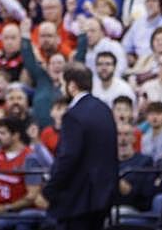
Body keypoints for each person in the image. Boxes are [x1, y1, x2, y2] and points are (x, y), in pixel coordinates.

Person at [42, 62, 118, 230]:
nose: (61, 89)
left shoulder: (73, 115)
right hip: (103, 196)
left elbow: (68, 157)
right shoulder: (104, 109)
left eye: (63, 84)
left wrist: (50, 189)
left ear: (72, 86)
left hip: (78, 199)